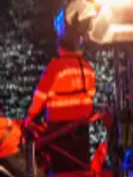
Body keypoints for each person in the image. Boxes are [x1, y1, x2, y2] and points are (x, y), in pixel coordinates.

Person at [25, 37, 98, 170]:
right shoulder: (87, 66)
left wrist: (30, 116)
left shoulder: (56, 66)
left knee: (60, 161)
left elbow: (41, 94)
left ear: (61, 48)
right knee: (79, 159)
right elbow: (92, 93)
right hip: (82, 122)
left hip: (59, 122)